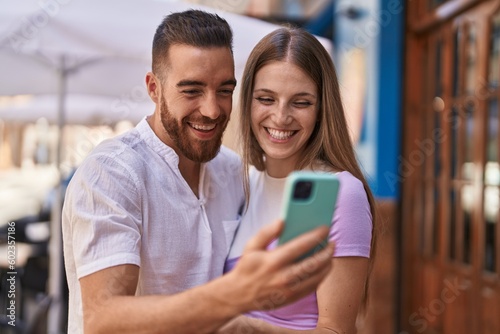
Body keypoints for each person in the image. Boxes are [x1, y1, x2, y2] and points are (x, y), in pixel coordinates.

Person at [61, 10, 335, 334]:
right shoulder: (112, 174)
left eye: (224, 90)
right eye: (191, 91)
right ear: (153, 88)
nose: (212, 110)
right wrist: (231, 296)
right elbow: (103, 319)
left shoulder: (234, 172)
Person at [221, 27, 377, 333]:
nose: (280, 117)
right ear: (248, 101)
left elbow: (336, 330)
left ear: (321, 109)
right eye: (266, 98)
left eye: (301, 102)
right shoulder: (240, 185)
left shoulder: (342, 192)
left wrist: (244, 326)